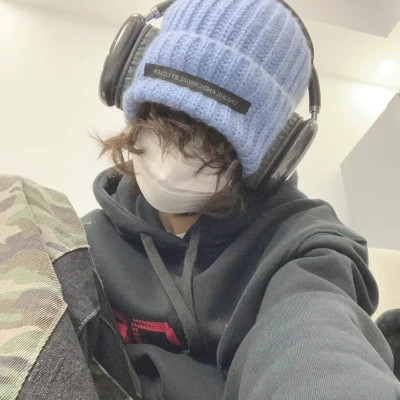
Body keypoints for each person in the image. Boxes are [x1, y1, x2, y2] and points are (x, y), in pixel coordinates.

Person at [82, 0, 400, 399]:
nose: (170, 161)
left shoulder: (302, 248)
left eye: (211, 141)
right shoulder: (81, 242)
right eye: (160, 115)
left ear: (272, 159)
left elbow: (314, 338)